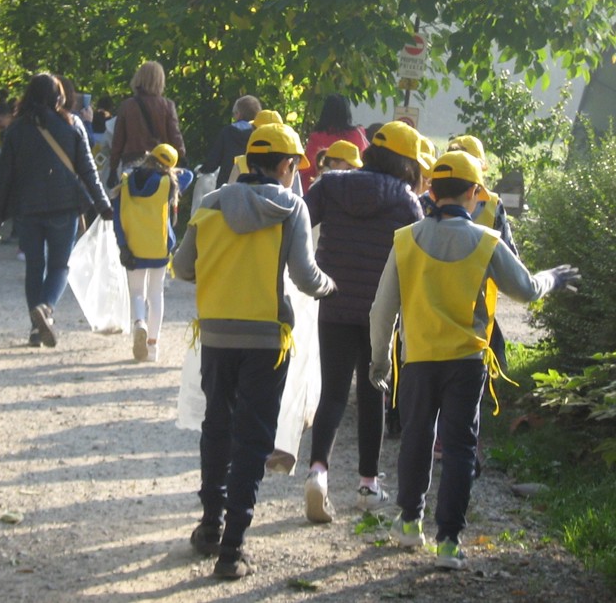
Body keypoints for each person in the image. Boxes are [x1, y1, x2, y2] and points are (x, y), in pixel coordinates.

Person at [369, 150, 580, 570]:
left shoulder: (405, 239)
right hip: (466, 360)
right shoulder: (487, 242)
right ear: (472, 194)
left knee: (416, 438)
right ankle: (449, 541)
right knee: (462, 446)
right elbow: (524, 289)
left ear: (430, 191)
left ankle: (410, 522)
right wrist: (553, 278)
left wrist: (380, 363)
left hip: (418, 359)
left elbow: (381, 311)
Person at [173, 124, 335, 580]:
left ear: (248, 161)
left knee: (217, 426)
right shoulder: (292, 208)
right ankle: (233, 547)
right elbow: (306, 277)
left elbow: (183, 267)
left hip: (217, 336)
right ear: (286, 166)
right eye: (292, 167)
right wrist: (328, 286)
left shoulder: (210, 204)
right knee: (252, 438)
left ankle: (209, 525)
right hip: (266, 340)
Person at [303, 121, 429, 524]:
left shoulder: (331, 184)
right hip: (379, 312)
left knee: (334, 393)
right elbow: (415, 261)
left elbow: (299, 224)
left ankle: (318, 472)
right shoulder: (408, 202)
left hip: (333, 302)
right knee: (373, 390)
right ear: (407, 163)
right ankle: (367, 484)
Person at [0, 74, 113, 348]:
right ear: (59, 98)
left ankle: (36, 329)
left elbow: (4, 176)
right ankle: (45, 308)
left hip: (28, 209)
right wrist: (102, 204)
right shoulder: (73, 124)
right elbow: (88, 169)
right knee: (60, 265)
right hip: (64, 206)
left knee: (35, 266)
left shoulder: (16, 129)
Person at [113, 144, 194, 363]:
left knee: (137, 292)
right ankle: (152, 345)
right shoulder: (168, 183)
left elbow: (117, 216)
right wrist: (170, 169)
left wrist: (122, 244)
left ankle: (139, 322)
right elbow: (189, 175)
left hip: (132, 245)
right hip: (159, 246)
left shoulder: (126, 180)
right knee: (156, 293)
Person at [108, 61, 187, 187]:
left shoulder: (127, 106)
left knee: (131, 204)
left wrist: (113, 169)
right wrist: (182, 157)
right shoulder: (167, 106)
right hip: (161, 165)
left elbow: (118, 141)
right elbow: (175, 136)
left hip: (132, 164)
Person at [300, 93, 370, 192]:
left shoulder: (317, 136)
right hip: (352, 190)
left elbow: (306, 169)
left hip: (319, 190)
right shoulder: (358, 134)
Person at [199, 95, 262, 188]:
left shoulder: (228, 132)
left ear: (239, 114)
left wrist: (202, 170)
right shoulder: (261, 133)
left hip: (227, 185)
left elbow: (214, 160)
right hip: (255, 185)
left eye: (234, 114)